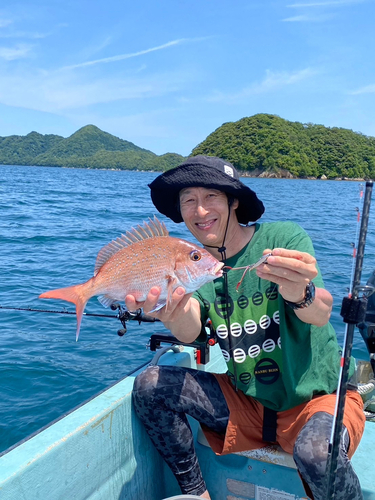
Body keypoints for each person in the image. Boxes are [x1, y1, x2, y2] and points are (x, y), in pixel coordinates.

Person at [125, 155, 365, 500]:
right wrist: (168, 310)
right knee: (151, 386)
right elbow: (190, 330)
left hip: (315, 400)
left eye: (211, 197)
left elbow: (321, 312)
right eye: (188, 200)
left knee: (317, 454)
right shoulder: (196, 267)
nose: (200, 210)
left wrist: (300, 292)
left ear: (233, 201)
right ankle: (198, 494)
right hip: (247, 402)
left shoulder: (283, 237)